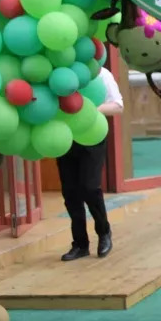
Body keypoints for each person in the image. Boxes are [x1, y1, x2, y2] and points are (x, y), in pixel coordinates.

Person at [58, 66, 123, 261]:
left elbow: (118, 105)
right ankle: (80, 244)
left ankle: (104, 233)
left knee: (89, 187)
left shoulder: (101, 73)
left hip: (92, 135)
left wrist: (90, 112)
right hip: (65, 137)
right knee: (70, 193)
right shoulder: (61, 75)